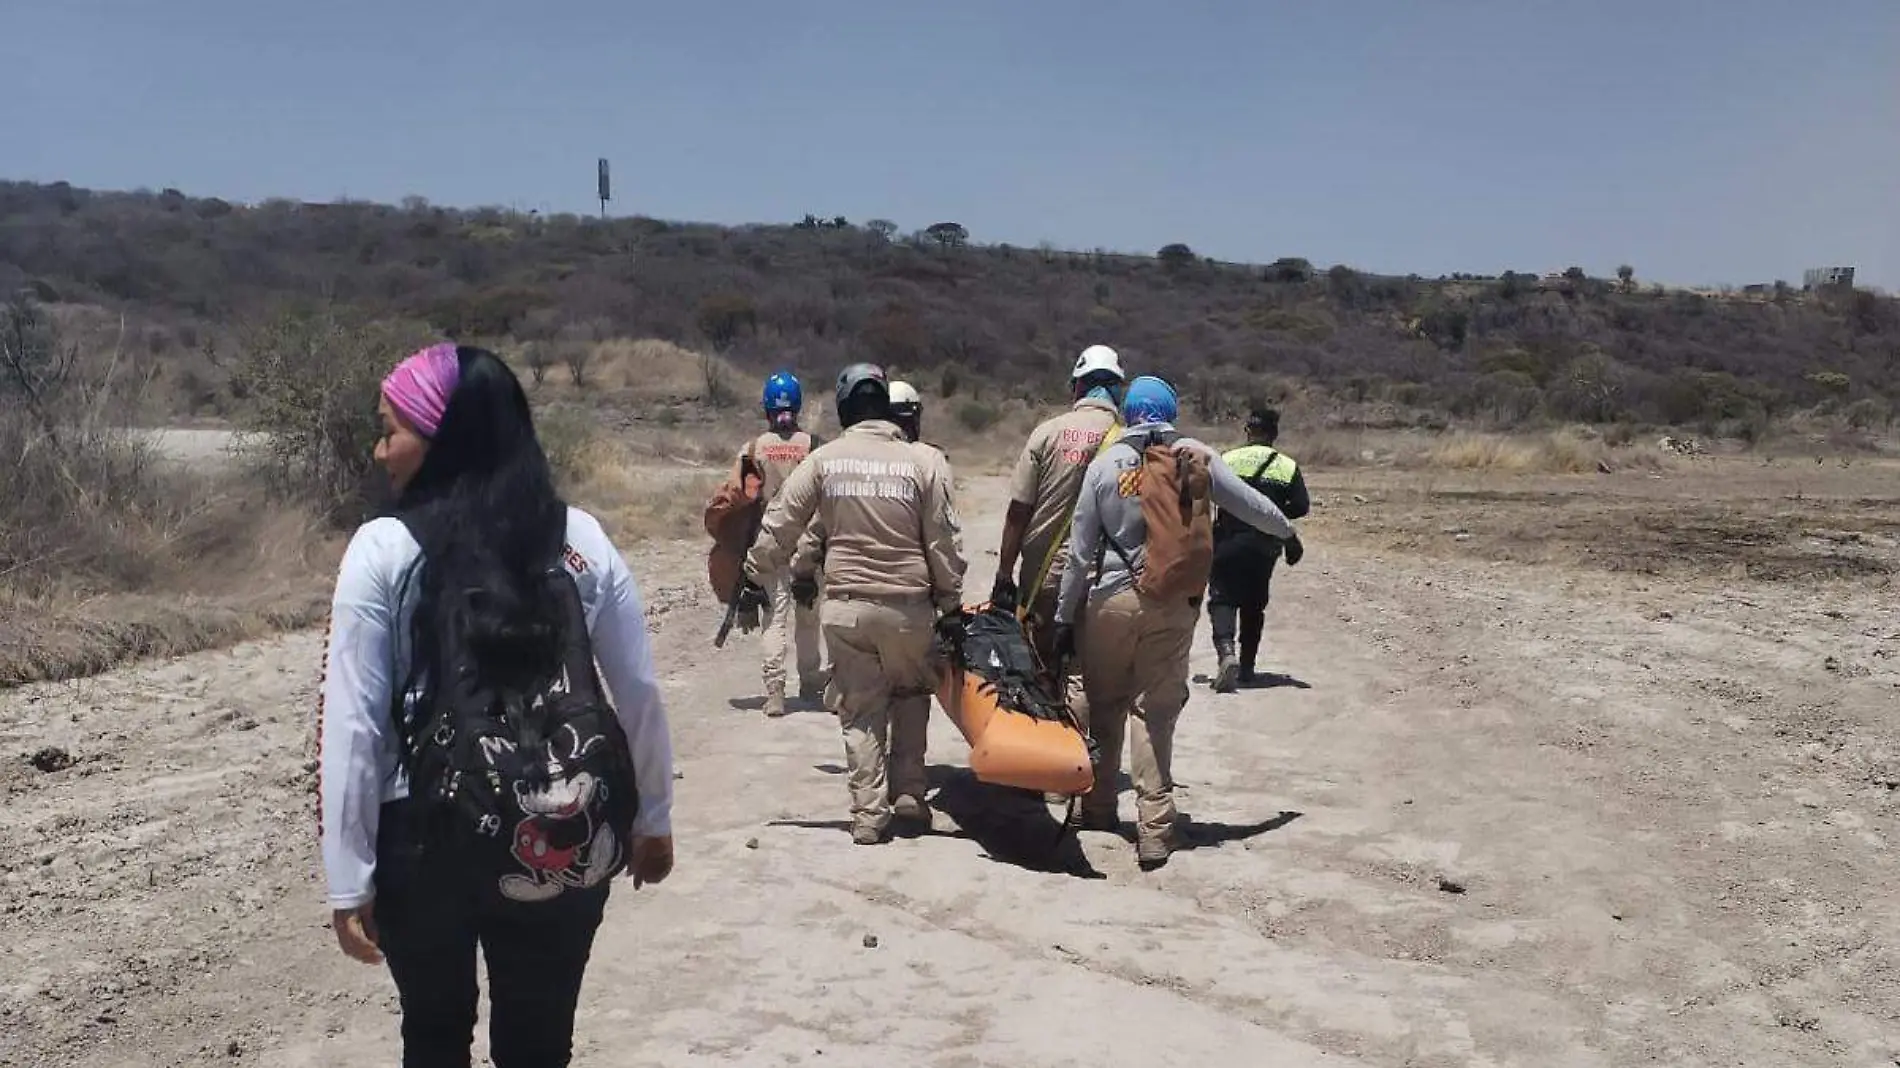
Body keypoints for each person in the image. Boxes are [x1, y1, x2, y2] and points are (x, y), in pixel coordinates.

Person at [318, 343, 676, 1067]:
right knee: (539, 1046)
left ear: (441, 435)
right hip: (563, 823)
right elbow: (636, 690)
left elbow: (354, 726)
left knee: (435, 1036)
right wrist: (653, 817)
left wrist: (348, 875)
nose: (379, 448)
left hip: (423, 841)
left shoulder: (382, 549)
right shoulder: (581, 540)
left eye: (391, 429)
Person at [1053, 376, 1294, 869]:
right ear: (1170, 412)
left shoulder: (1105, 465)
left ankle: (1097, 808)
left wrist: (1062, 617)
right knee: (1154, 714)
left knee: (1105, 707)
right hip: (1170, 605)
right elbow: (1250, 505)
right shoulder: (1194, 455)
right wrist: (1286, 532)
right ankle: (1156, 829)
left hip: (1110, 602)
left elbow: (1078, 556)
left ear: (1128, 414)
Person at [743, 363, 965, 845]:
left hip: (846, 607)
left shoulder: (825, 461)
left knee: (861, 709)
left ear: (843, 408)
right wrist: (949, 603)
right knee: (909, 697)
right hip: (909, 607)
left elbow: (783, 523)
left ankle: (868, 814)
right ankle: (909, 793)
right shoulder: (924, 461)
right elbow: (943, 543)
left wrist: (755, 572)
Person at [992, 344, 1125, 797]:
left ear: (1077, 386)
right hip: (1102, 581)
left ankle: (1047, 767)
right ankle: (1081, 774)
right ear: (1116, 389)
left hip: (1044, 577)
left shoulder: (1047, 433)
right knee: (1086, 677)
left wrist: (1004, 574)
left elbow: (1017, 511)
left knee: (1044, 668)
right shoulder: (1128, 441)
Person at [734, 371, 828, 717]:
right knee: (808, 618)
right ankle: (810, 685)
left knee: (773, 619)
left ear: (767, 406)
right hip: (808, 544)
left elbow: (743, 499)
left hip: (769, 542)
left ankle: (775, 693)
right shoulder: (815, 447)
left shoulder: (754, 449)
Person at [1209, 407, 1310, 692]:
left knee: (1223, 598)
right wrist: (1276, 512)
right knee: (1254, 604)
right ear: (1274, 434)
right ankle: (1248, 667)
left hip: (1227, 540)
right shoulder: (1287, 466)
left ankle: (1226, 653)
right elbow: (1301, 506)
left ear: (1247, 431)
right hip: (1265, 545)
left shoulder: (1226, 459)